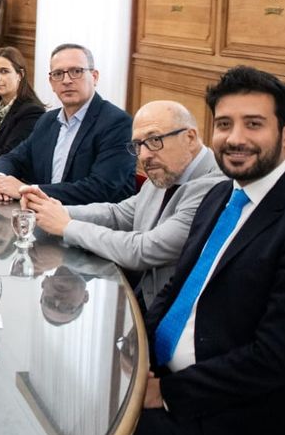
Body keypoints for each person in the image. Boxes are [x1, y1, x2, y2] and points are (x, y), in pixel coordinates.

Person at [107, 67, 285, 435]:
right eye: (224, 124)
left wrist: (164, 392)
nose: (235, 138)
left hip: (230, 421)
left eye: (253, 124)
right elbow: (176, 288)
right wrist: (136, 350)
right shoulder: (222, 193)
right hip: (166, 372)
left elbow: (272, 360)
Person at [19, 101, 226, 309]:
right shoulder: (168, 169)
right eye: (138, 145)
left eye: (155, 140)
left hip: (174, 314)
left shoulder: (214, 185)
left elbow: (144, 249)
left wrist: (67, 226)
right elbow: (118, 214)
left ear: (189, 138)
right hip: (140, 296)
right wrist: (54, 210)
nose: (144, 155)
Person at [0, 43, 135, 205]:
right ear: (51, 82)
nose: (66, 80)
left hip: (91, 225)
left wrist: (25, 189)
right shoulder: (47, 121)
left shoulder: (118, 123)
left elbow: (100, 189)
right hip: (42, 217)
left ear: (95, 77)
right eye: (58, 74)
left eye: (76, 71)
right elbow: (13, 158)